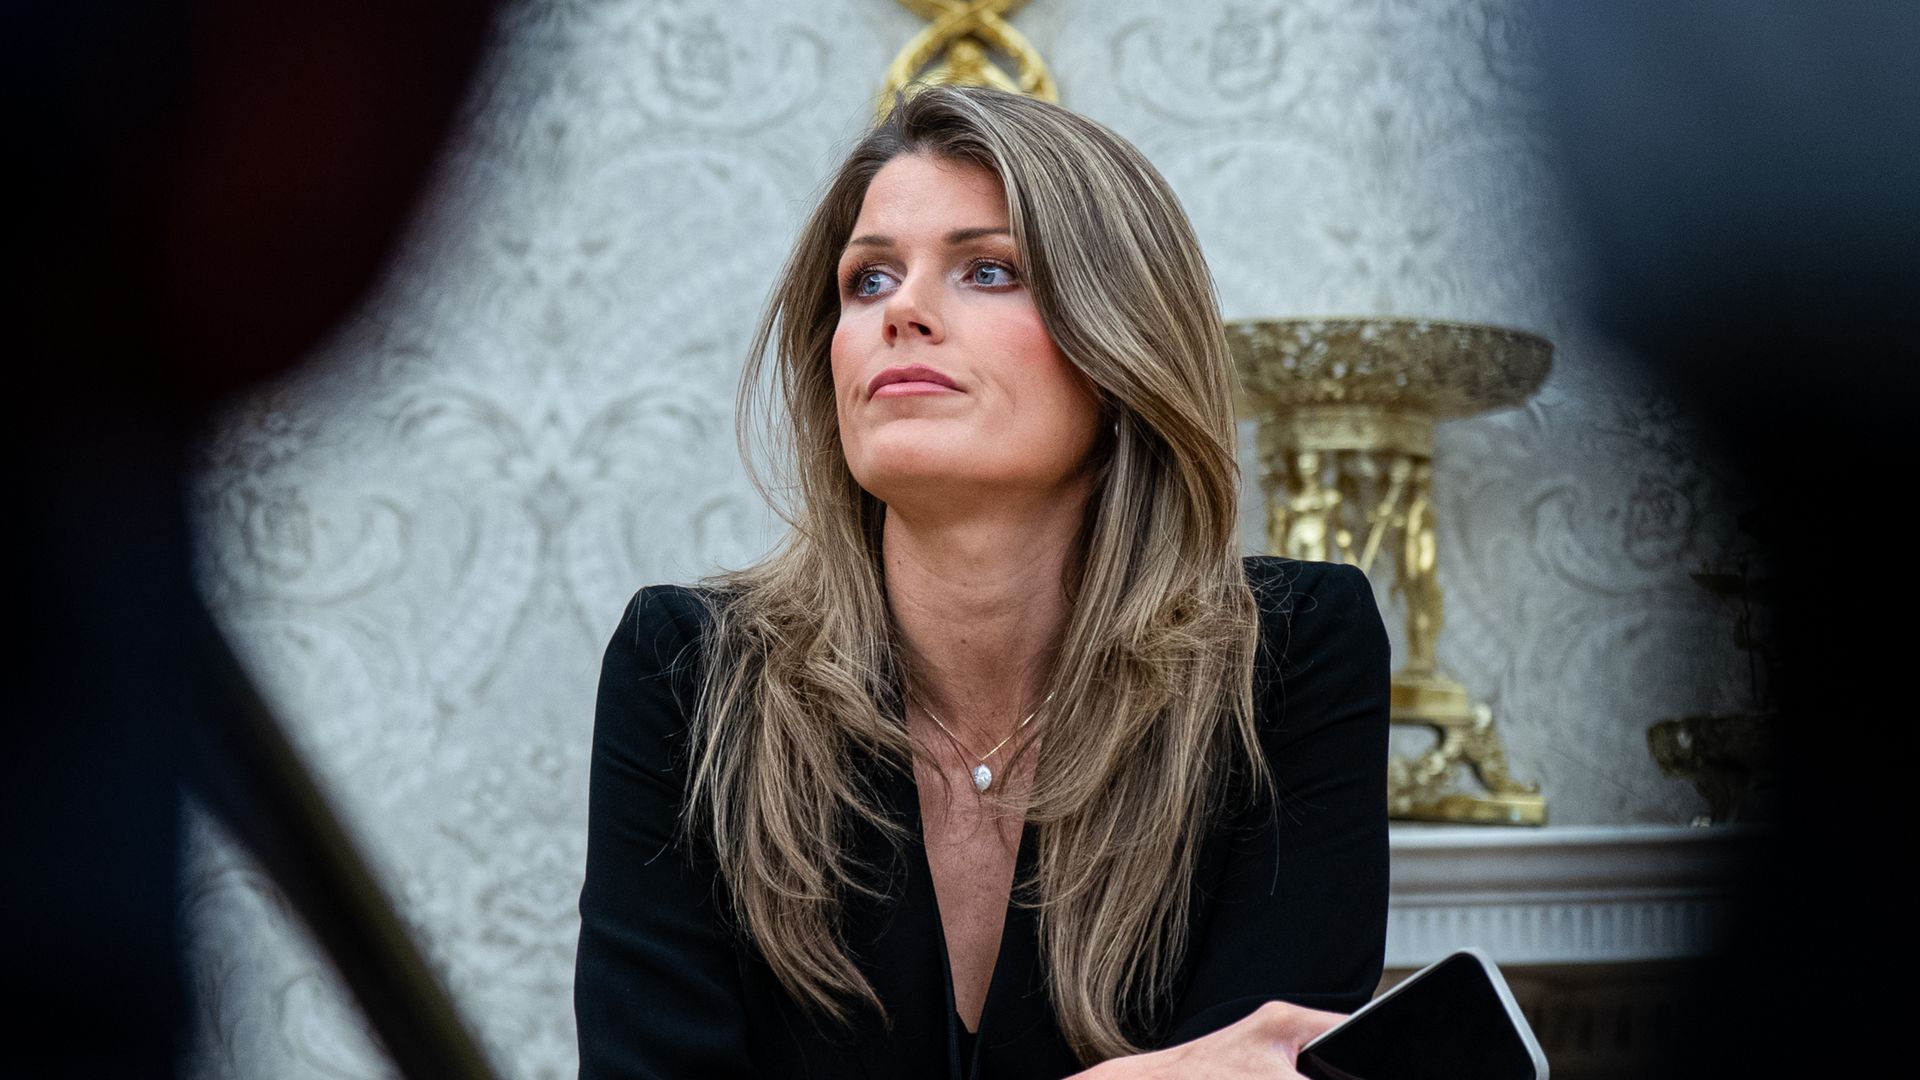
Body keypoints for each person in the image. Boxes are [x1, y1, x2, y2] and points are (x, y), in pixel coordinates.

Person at [573, 84, 1391, 1079]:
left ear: (1121, 347)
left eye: (989, 270)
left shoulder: (1291, 653)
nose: (903, 311)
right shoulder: (691, 672)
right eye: (867, 281)